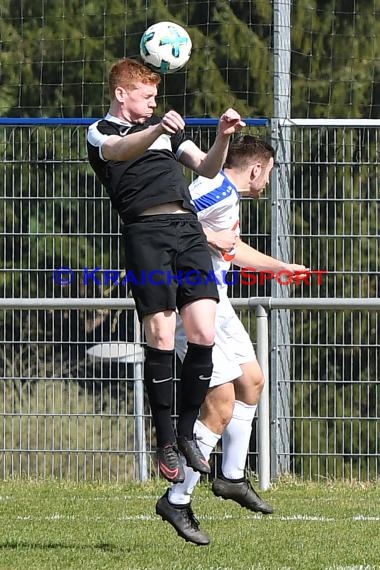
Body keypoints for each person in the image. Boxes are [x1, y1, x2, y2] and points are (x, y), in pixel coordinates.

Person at [87, 58, 245, 484]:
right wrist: (157, 129)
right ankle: (166, 441)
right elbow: (121, 151)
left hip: (187, 230)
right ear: (121, 94)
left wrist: (222, 138)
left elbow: (208, 168)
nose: (154, 102)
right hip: (144, 234)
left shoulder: (165, 132)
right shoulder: (102, 132)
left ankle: (188, 432)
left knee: (203, 332)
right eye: (146, 95)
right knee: (159, 333)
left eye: (156, 96)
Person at [155, 135, 309, 545]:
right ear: (257, 168)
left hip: (217, 301)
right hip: (192, 302)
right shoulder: (212, 188)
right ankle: (177, 498)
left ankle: (232, 477)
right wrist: (208, 239)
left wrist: (279, 268)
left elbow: (231, 246)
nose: (268, 183)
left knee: (253, 381)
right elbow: (170, 223)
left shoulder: (227, 196)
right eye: (270, 173)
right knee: (221, 404)